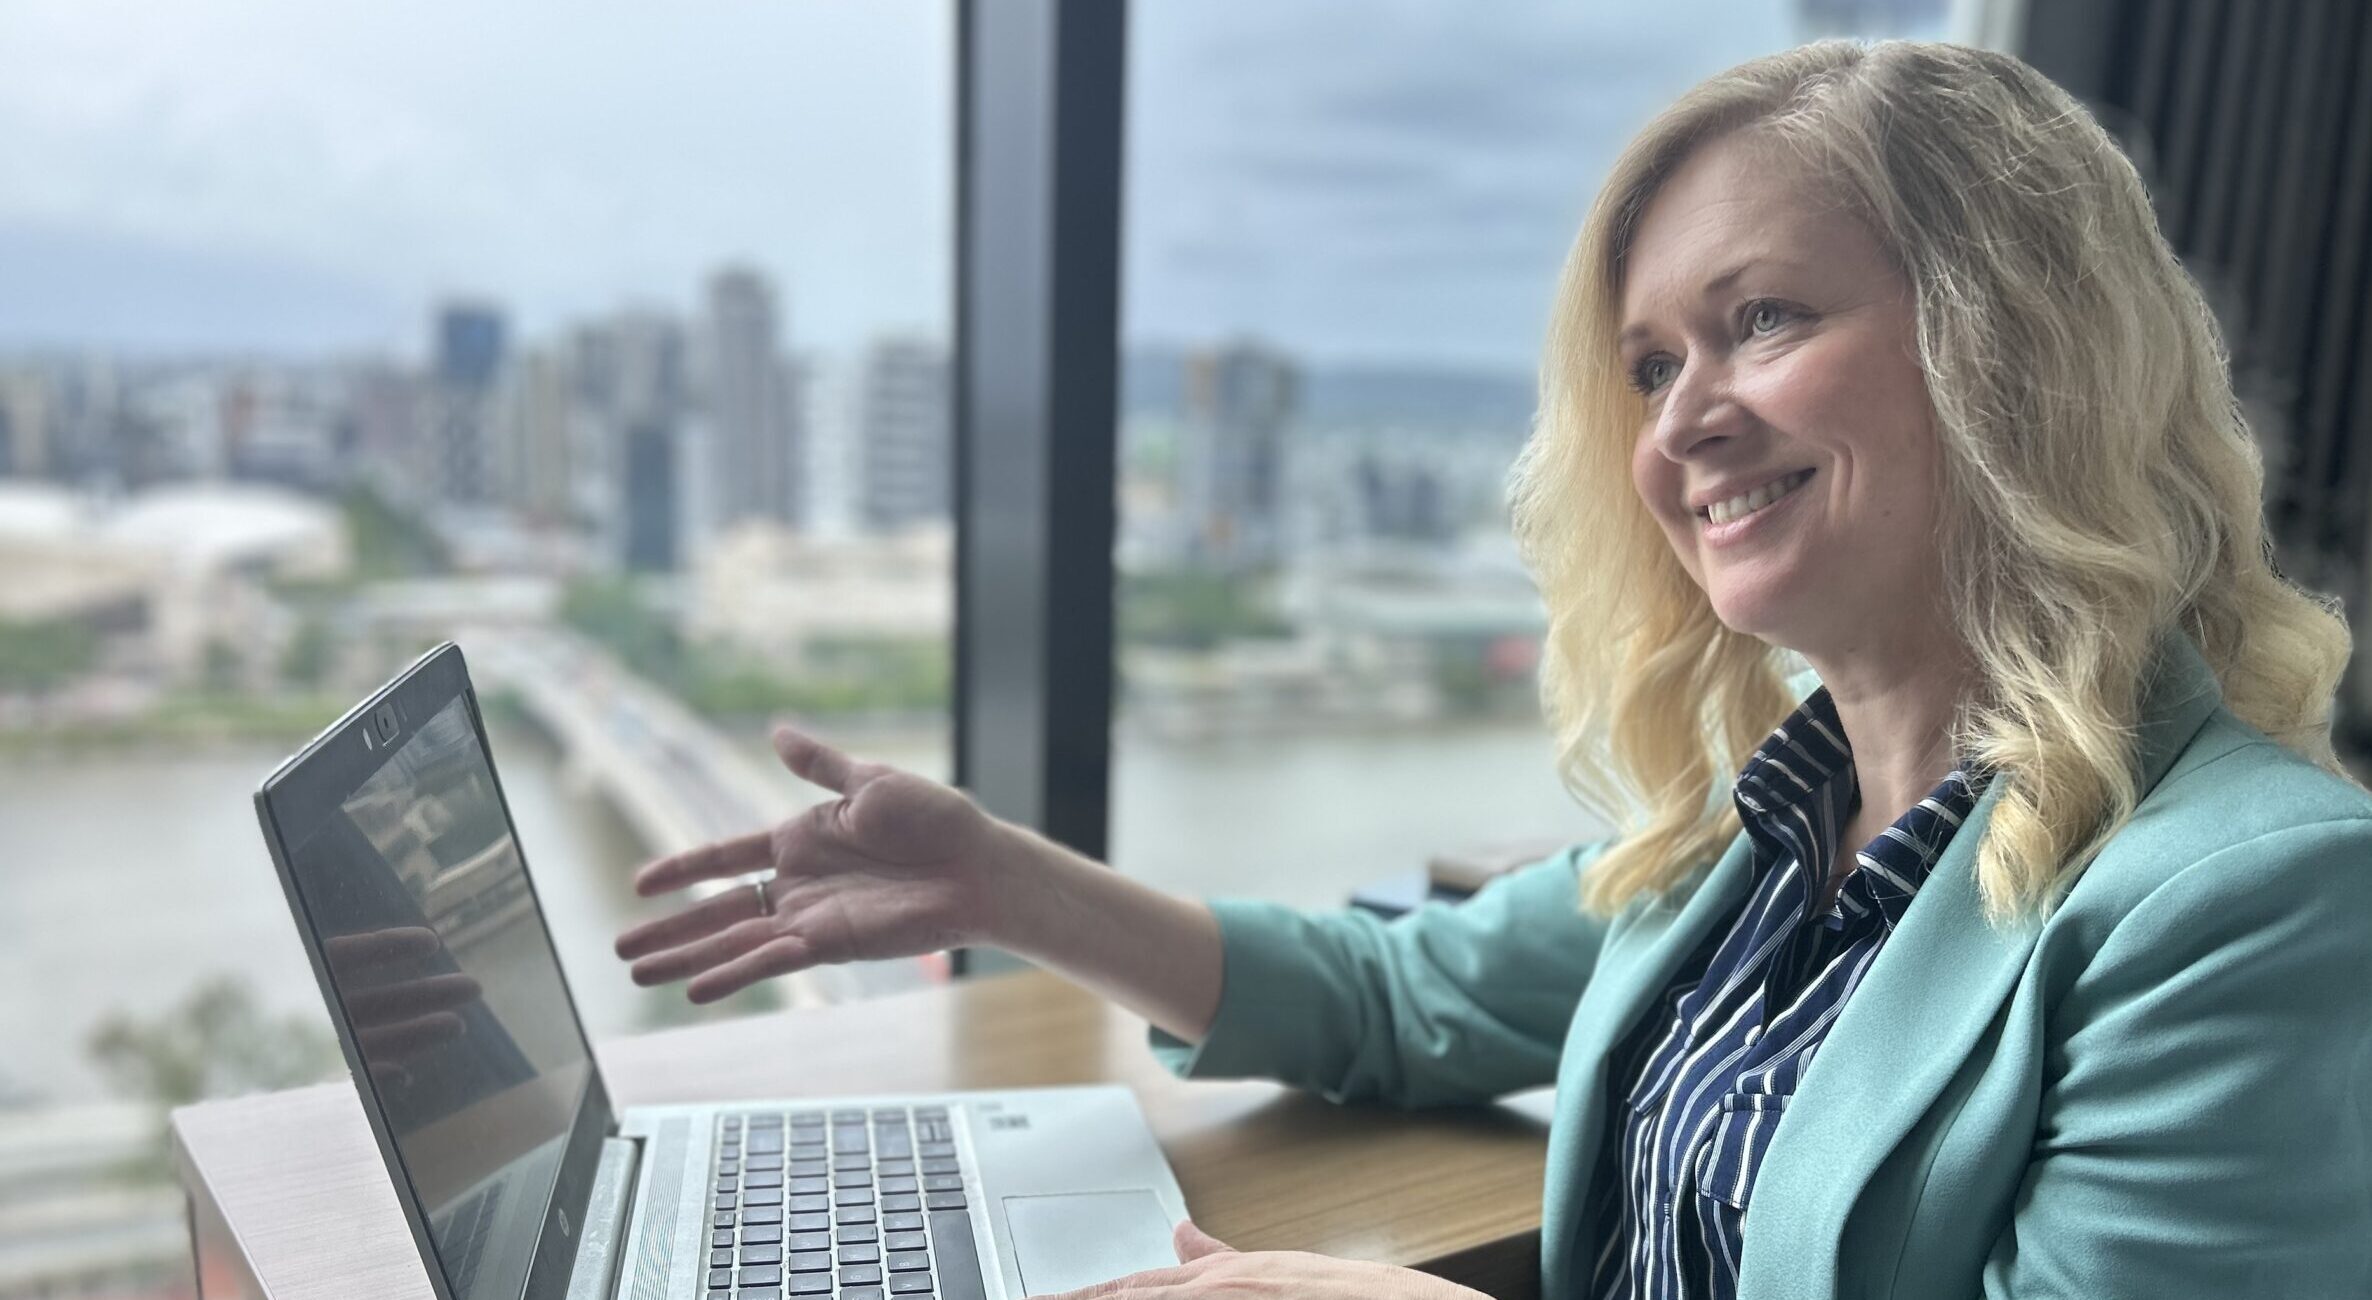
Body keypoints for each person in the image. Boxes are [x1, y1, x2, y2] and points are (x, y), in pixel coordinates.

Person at [614, 38, 2372, 1300]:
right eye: (1649, 360)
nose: (1684, 418)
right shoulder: (1761, 831)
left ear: (2013, 349)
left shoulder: (2257, 897)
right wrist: (1003, 881)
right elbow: (1397, 997)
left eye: (1763, 318)